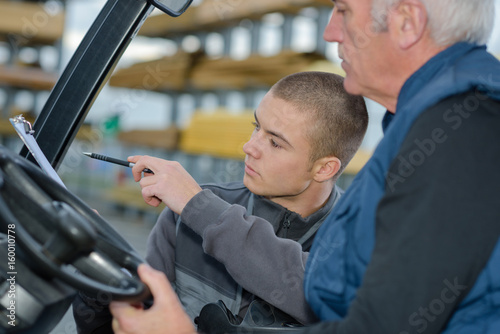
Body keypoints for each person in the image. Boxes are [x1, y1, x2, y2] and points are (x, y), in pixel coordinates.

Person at [109, 0, 500, 333]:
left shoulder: (464, 133)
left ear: (406, 23)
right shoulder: (435, 125)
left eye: (343, 10)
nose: (330, 32)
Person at [73, 71, 369, 332]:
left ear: (324, 168)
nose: (249, 147)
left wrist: (199, 207)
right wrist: (100, 280)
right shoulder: (183, 217)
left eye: (275, 142)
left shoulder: (364, 243)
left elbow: (311, 289)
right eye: (256, 127)